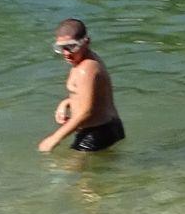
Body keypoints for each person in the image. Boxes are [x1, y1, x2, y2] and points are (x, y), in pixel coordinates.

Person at [39, 19, 125, 154]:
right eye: (61, 48)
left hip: (97, 133)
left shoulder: (86, 69)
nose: (66, 53)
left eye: (72, 46)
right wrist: (67, 102)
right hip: (107, 128)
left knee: (70, 171)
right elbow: (94, 95)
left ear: (86, 41)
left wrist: (54, 138)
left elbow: (86, 112)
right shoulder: (85, 61)